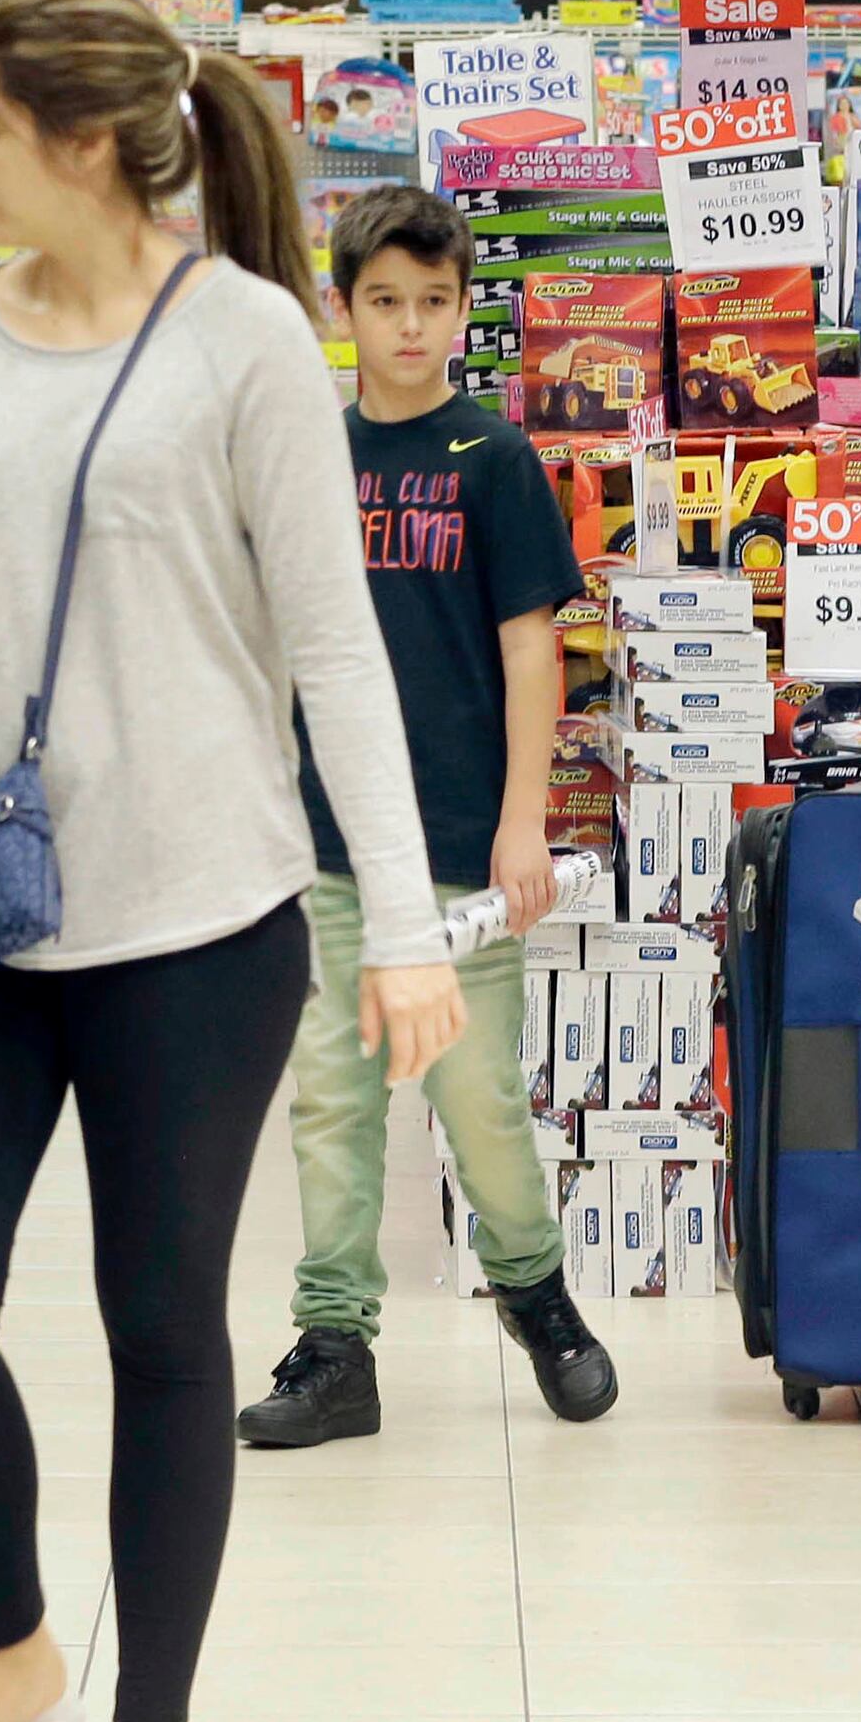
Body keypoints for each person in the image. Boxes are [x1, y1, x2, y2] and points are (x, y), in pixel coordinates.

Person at [0, 0, 465, 1722]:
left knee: (161, 1322)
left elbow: (339, 652)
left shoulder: (255, 339)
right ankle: (11, 1648)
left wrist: (411, 927)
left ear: (87, 148)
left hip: (200, 912)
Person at [238, 183, 619, 1448]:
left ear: (465, 310)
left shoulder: (495, 460)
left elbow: (532, 655)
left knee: (479, 1101)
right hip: (328, 847)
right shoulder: (306, 457)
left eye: (434, 304)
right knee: (333, 1103)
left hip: (462, 848)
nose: (411, 328)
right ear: (339, 308)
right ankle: (335, 1343)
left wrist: (526, 821)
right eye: (384, 303)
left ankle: (536, 1291)